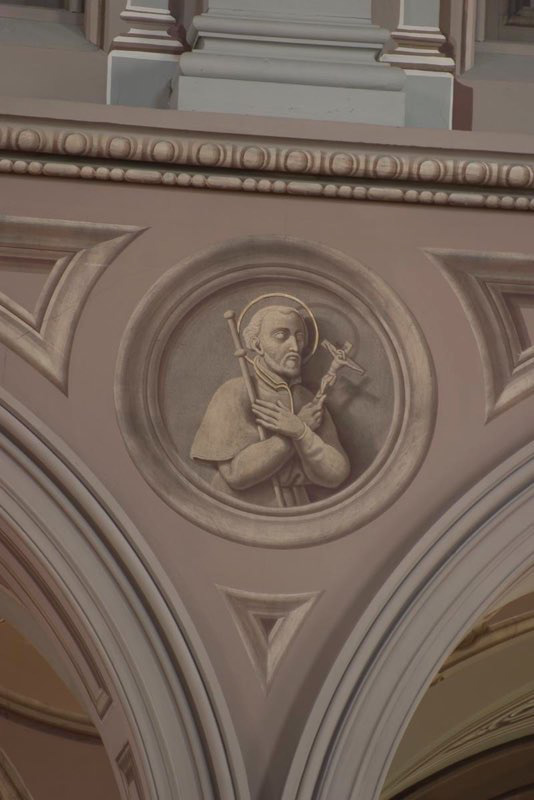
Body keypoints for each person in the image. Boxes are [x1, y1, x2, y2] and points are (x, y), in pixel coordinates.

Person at [190, 304, 350, 507]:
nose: (294, 346)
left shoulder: (306, 398)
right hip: (244, 509)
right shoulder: (234, 392)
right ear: (257, 345)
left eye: (299, 337)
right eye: (281, 336)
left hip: (295, 509)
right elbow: (236, 474)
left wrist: (301, 432)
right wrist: (293, 433)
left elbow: (337, 473)